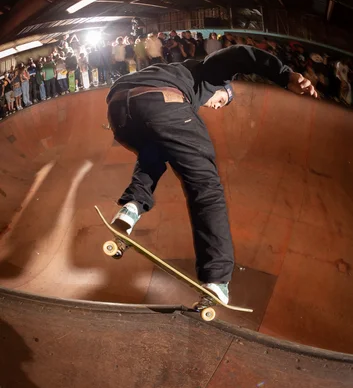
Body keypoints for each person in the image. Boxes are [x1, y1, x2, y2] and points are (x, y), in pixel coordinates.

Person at [106, 45, 317, 304]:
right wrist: (285, 75)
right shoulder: (209, 73)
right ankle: (217, 277)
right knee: (206, 187)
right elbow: (239, 54)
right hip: (163, 101)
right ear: (220, 88)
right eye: (221, 101)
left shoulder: (175, 73)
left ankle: (132, 207)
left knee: (154, 155)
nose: (217, 107)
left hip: (119, 110)